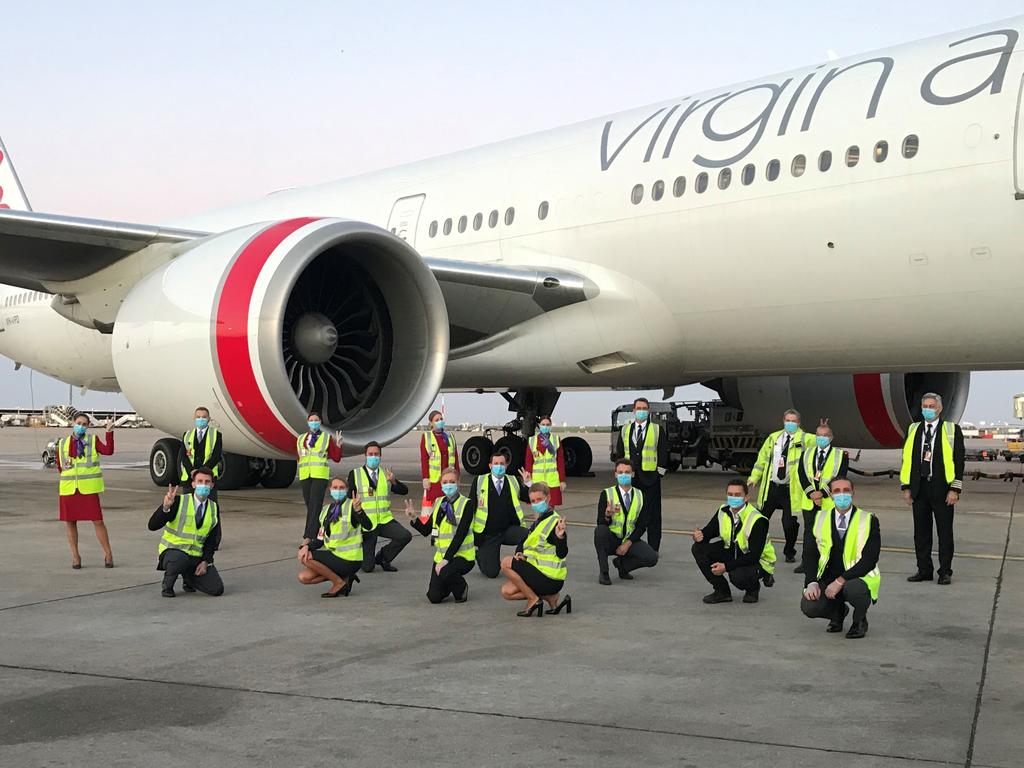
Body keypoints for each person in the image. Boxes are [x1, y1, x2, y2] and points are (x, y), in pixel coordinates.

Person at [801, 477, 881, 638]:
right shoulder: (820, 518)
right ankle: (837, 613)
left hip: (858, 577)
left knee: (855, 590)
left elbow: (870, 559)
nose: (842, 495)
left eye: (846, 490)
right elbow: (810, 554)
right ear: (830, 495)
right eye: (837, 491)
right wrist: (811, 582)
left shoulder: (868, 520)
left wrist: (840, 581)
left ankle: (859, 620)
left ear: (853, 493)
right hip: (828, 576)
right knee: (809, 606)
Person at [900, 392, 965, 585]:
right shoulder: (913, 429)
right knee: (921, 533)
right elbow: (907, 460)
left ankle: (945, 571)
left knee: (944, 533)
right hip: (919, 488)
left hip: (943, 489)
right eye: (925, 406)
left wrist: (955, 489)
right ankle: (924, 570)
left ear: (940, 408)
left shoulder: (951, 430)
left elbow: (959, 462)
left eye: (931, 406)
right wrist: (906, 487)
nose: (928, 409)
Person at [692, 479, 775, 604]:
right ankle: (722, 591)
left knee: (737, 576)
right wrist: (699, 535)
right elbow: (709, 531)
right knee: (698, 548)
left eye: (737, 495)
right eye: (730, 494)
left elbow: (754, 556)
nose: (733, 498)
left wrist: (726, 567)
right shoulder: (723, 510)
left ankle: (753, 588)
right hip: (733, 549)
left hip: (757, 560)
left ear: (746, 497)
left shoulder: (757, 519)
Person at [747, 408, 814, 564]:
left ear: (799, 423)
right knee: (759, 520)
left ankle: (789, 551)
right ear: (783, 421)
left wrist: (825, 433)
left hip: (790, 489)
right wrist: (753, 478)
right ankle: (755, 549)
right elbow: (762, 460)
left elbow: (823, 440)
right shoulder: (773, 438)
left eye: (794, 421)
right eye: (788, 420)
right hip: (772, 487)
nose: (790, 423)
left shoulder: (804, 439)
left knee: (789, 524)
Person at [148, 468, 224, 598]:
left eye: (207, 482)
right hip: (173, 552)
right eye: (200, 481)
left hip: (195, 557)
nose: (203, 485)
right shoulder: (178, 502)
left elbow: (211, 540)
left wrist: (205, 561)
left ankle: (189, 578)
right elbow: (152, 525)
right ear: (193, 484)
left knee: (216, 589)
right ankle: (167, 585)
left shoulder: (213, 507)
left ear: (212, 485)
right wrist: (165, 507)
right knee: (179, 559)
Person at [499, 483, 571, 617]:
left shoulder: (554, 521)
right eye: (533, 501)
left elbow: (562, 553)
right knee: (506, 591)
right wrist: (520, 554)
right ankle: (551, 598)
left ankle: (533, 599)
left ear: (548, 498)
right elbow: (526, 543)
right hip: (541, 574)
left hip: (550, 577)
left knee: (505, 562)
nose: (536, 503)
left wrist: (560, 537)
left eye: (539, 499)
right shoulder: (540, 521)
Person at [56, 413, 115, 569]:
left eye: (84, 424)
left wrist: (109, 433)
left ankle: (108, 553)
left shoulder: (92, 440)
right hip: (69, 489)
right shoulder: (62, 443)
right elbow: (60, 466)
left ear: (88, 426)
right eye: (78, 422)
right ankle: (76, 556)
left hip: (88, 489)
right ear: (73, 423)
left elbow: (108, 451)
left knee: (98, 521)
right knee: (70, 522)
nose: (81, 426)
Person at [406, 468, 474, 604]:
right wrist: (414, 518)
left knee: (445, 571)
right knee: (434, 597)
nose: (448, 485)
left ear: (458, 483)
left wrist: (446, 560)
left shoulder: (467, 504)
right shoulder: (439, 503)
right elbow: (426, 530)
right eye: (445, 482)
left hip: (462, 556)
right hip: (441, 557)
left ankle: (462, 588)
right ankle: (448, 581)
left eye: (452, 482)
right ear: (441, 484)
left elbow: (460, 535)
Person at [297, 477, 371, 597]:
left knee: (308, 557)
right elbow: (320, 539)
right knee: (304, 577)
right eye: (335, 488)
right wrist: (306, 546)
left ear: (347, 490)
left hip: (350, 558)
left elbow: (368, 526)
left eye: (341, 488)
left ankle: (338, 583)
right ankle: (344, 577)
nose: (338, 490)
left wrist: (359, 511)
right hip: (335, 557)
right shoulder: (326, 510)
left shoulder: (351, 506)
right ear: (330, 490)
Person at [347, 442, 412, 573]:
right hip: (367, 524)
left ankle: (383, 557)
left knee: (405, 535)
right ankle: (360, 552)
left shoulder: (386, 474)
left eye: (376, 454)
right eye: (370, 454)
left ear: (381, 456)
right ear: (365, 456)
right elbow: (349, 498)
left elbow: (404, 491)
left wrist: (393, 481)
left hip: (384, 520)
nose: (373, 457)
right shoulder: (355, 474)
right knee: (367, 568)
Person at [795, 420, 849, 574]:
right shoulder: (806, 454)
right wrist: (812, 493)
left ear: (831, 437)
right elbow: (802, 475)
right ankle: (807, 563)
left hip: (828, 502)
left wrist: (822, 493)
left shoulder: (840, 455)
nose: (821, 438)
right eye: (819, 435)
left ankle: (829, 562)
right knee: (809, 534)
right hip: (810, 500)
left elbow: (840, 476)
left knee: (828, 534)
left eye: (825, 435)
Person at [614, 397, 668, 550]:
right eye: (639, 408)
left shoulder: (657, 430)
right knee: (629, 513)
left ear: (648, 411)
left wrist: (659, 474)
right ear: (633, 411)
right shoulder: (625, 429)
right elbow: (620, 454)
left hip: (650, 478)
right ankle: (628, 543)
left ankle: (653, 547)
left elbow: (663, 454)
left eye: (644, 409)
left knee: (653, 515)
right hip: (630, 479)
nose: (641, 411)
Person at [594, 458, 659, 585]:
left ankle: (622, 565)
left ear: (633, 474)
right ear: (615, 474)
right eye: (620, 472)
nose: (623, 475)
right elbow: (600, 522)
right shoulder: (607, 494)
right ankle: (604, 572)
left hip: (629, 539)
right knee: (600, 531)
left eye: (627, 472)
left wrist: (627, 544)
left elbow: (641, 526)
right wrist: (607, 516)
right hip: (612, 538)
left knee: (652, 558)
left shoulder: (640, 496)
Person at [468, 452, 529, 577]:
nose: (499, 466)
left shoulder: (513, 481)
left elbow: (530, 498)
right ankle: (480, 555)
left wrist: (528, 483)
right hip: (488, 534)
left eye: (502, 463)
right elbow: (471, 508)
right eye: (496, 464)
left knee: (529, 536)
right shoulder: (479, 481)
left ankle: (520, 561)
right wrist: (471, 534)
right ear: (490, 466)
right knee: (492, 572)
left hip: (508, 530)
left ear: (506, 466)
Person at [297, 411, 343, 545]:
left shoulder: (326, 438)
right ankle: (321, 533)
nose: (314, 422)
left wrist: (338, 445)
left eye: (316, 420)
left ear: (320, 422)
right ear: (307, 422)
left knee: (315, 505)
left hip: (320, 476)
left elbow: (336, 458)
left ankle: (308, 537)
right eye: (311, 420)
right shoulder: (301, 439)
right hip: (305, 475)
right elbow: (299, 457)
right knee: (311, 506)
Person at [178, 406, 223, 500]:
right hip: (189, 480)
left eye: (204, 417)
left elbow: (216, 456)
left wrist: (202, 472)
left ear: (209, 419)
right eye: (198, 417)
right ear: (194, 418)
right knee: (188, 507)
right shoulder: (187, 435)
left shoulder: (216, 435)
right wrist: (192, 471)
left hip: (208, 479)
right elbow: (183, 456)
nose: (201, 419)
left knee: (209, 507)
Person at [523, 416, 566, 507]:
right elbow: (528, 461)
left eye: (547, 425)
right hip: (537, 480)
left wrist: (562, 480)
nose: (545, 426)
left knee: (550, 508)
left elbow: (560, 462)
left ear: (550, 426)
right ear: (539, 425)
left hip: (552, 480)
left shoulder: (556, 440)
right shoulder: (532, 440)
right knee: (537, 507)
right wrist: (528, 477)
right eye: (543, 424)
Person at [420, 410, 459, 505]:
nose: (440, 421)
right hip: (435, 481)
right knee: (435, 507)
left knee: (450, 505)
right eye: (437, 420)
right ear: (431, 424)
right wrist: (425, 478)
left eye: (441, 419)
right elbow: (424, 459)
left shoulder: (449, 436)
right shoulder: (427, 437)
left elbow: (455, 457)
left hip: (449, 479)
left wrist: (457, 476)